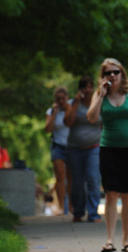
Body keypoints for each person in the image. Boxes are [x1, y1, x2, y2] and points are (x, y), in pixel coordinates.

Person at [87, 58, 128, 252]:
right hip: (108, 149)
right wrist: (100, 94)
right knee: (110, 194)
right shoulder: (100, 94)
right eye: (108, 73)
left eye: (116, 72)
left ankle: (126, 240)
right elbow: (91, 117)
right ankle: (109, 240)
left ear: (122, 73)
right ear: (103, 76)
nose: (112, 76)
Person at [64, 76, 103, 223]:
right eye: (84, 87)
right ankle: (79, 212)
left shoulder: (98, 103)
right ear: (80, 90)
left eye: (89, 87)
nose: (87, 90)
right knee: (78, 182)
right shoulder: (72, 104)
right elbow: (68, 122)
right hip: (75, 149)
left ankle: (93, 213)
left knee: (93, 179)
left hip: (94, 147)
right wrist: (76, 103)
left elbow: (104, 124)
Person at [45, 86, 72, 215]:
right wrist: (55, 113)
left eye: (63, 98)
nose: (61, 101)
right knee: (60, 177)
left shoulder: (71, 108)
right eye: (58, 99)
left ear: (67, 98)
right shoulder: (50, 111)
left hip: (72, 146)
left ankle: (72, 206)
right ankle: (62, 207)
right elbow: (47, 129)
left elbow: (72, 122)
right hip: (58, 146)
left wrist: (68, 109)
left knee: (71, 178)